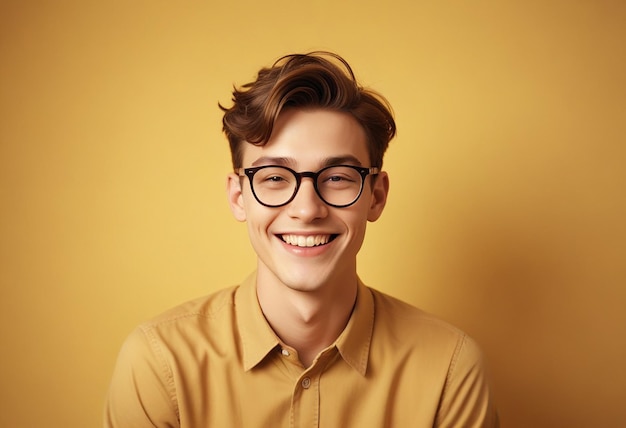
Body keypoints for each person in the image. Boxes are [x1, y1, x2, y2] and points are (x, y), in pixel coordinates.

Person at [104, 51, 499, 427]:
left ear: (376, 196)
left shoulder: (450, 367)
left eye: (338, 178)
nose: (307, 209)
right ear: (239, 196)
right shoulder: (160, 363)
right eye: (274, 177)